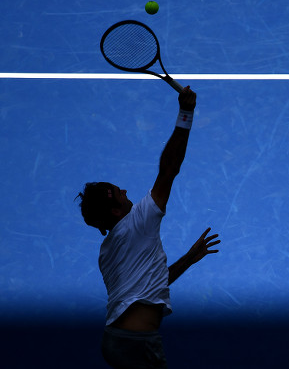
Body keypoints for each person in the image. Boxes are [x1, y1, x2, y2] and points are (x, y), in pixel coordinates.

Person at [75, 86, 221, 368]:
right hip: (137, 344)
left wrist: (189, 259)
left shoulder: (107, 252)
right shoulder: (139, 220)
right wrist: (186, 113)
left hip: (119, 341)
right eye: (121, 193)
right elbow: (169, 168)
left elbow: (151, 285)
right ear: (116, 210)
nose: (127, 190)